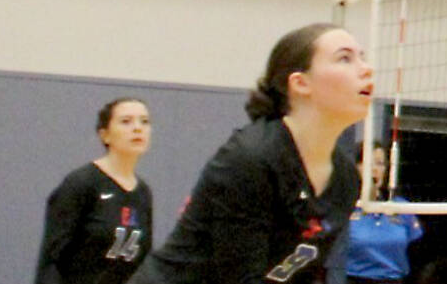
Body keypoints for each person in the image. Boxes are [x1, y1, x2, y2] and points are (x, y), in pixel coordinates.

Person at [129, 24, 374, 284]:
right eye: (344, 58)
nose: (366, 68)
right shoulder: (251, 158)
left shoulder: (346, 179)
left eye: (363, 57)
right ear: (301, 83)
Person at [36, 97, 155, 284]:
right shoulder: (82, 183)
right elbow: (52, 260)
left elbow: (142, 262)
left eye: (144, 121)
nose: (137, 128)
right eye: (126, 121)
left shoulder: (143, 193)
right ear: (105, 134)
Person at [326, 143, 423, 284]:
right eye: (368, 163)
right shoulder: (343, 206)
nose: (375, 169)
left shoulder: (401, 207)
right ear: (356, 167)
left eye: (380, 163)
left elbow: (417, 255)